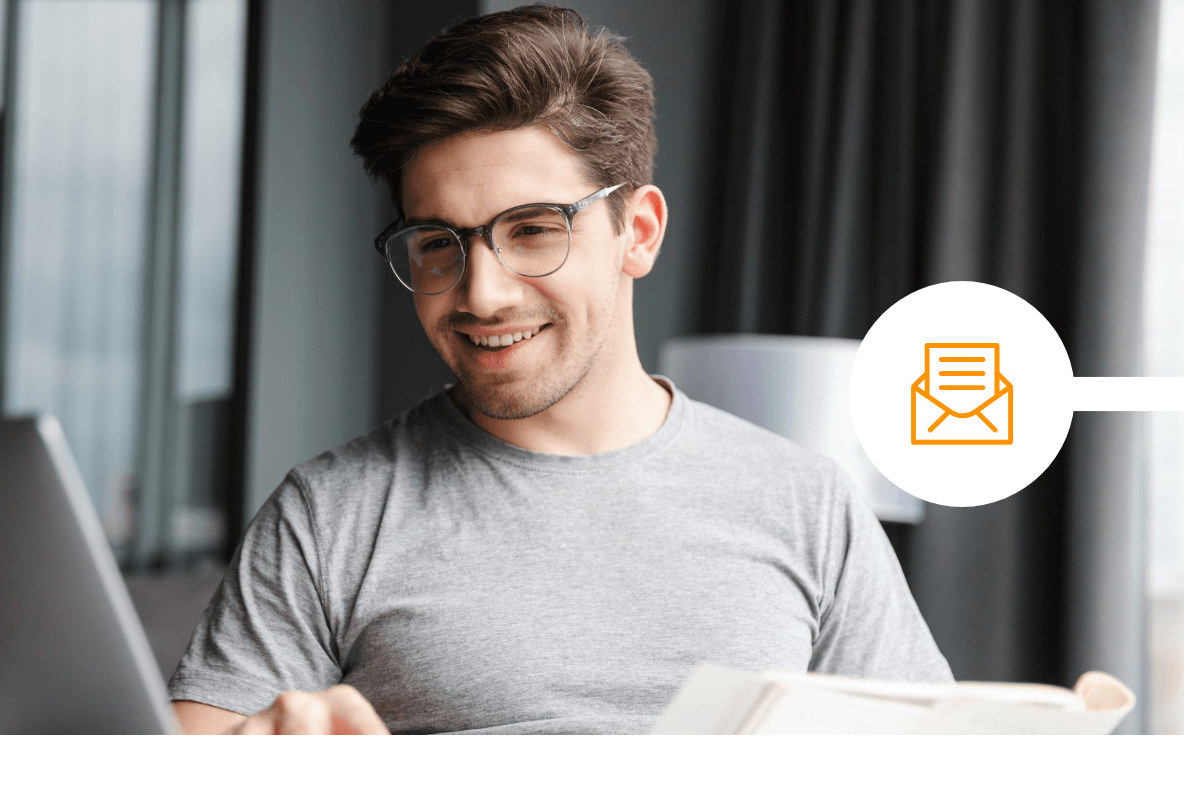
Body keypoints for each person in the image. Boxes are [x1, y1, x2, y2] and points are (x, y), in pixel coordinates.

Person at [170, 4, 951, 735]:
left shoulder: (807, 507)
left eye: (534, 230)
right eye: (439, 243)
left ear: (637, 233)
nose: (481, 293)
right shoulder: (330, 515)